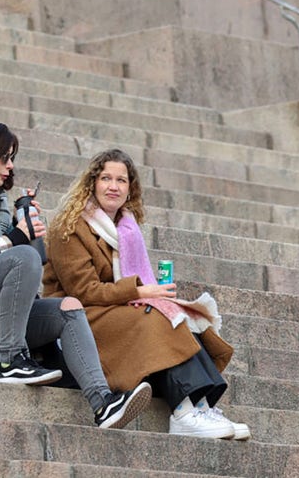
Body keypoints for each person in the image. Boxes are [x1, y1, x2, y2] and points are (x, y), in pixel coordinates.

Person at [0, 116, 151, 429]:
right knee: (21, 255)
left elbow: (31, 264)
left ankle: (103, 403)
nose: (10, 166)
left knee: (68, 308)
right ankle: (10, 360)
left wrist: (29, 229)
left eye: (12, 159)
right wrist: (14, 239)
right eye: (5, 158)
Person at [42, 148, 250, 440]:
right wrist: (139, 291)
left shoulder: (126, 228)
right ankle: (184, 411)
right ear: (92, 183)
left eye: (121, 180)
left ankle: (200, 405)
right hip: (77, 316)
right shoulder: (70, 226)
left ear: (131, 189)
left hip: (111, 310)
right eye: (105, 178)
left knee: (176, 314)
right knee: (155, 318)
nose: (113, 186)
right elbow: (84, 291)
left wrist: (150, 296)